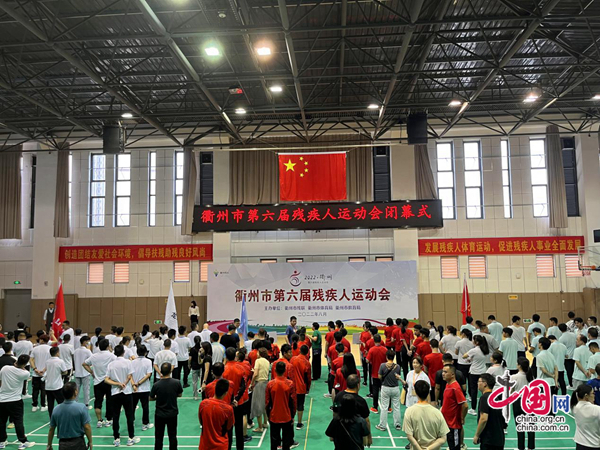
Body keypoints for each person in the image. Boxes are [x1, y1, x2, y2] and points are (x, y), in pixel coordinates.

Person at [105, 344, 138, 447]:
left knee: (116, 416)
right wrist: (124, 383)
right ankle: (131, 438)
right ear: (123, 352)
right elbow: (130, 375)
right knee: (129, 415)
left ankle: (116, 439)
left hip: (115, 393)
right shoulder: (128, 362)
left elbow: (106, 379)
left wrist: (118, 384)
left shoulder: (111, 365)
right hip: (127, 392)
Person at [0, 355, 34, 450]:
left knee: (1, 422)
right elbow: (23, 370)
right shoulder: (25, 373)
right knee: (18, 421)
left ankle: (2, 441)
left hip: (2, 400)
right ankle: (23, 442)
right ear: (25, 364)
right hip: (15, 401)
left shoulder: (5, 368)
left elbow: (0, 381)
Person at [403, 380, 449, 450]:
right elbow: (443, 439)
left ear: (415, 392)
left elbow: (409, 436)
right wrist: (428, 449)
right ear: (428, 393)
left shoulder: (409, 411)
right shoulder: (437, 413)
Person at [46, 382, 93, 450]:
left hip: (63, 445)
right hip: (78, 443)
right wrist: (90, 441)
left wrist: (49, 444)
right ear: (75, 392)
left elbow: (51, 429)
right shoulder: (81, 407)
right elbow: (87, 427)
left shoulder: (56, 409)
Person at [83, 338, 116, 428]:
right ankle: (109, 419)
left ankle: (99, 420)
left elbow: (84, 364)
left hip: (97, 382)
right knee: (109, 401)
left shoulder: (94, 356)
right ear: (108, 346)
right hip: (108, 381)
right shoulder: (111, 356)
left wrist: (92, 372)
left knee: (98, 401)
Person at [265, 361, 298, 450]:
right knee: (286, 442)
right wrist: (292, 415)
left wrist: (268, 415)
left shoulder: (270, 384)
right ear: (285, 370)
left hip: (274, 416)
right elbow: (293, 402)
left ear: (275, 370)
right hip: (287, 417)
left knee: (274, 442)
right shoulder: (290, 384)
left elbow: (267, 402)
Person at [150, 363, 183, 450]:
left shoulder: (156, 385)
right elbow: (180, 394)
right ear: (170, 371)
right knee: (172, 436)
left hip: (160, 415)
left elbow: (151, 398)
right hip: (172, 414)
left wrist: (158, 397)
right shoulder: (176, 382)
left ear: (161, 371)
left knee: (158, 437)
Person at [198, 379, 235, 450]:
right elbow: (229, 427)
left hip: (205, 445)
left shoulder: (203, 404)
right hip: (221, 445)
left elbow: (201, 422)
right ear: (226, 393)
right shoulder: (228, 409)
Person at [473, 373, 506, 450]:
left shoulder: (484, 398)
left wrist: (477, 435)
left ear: (485, 384)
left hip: (489, 440)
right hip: (499, 439)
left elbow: (484, 418)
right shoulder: (496, 398)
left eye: (479, 381)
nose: (477, 383)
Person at [440, 365, 467, 450]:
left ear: (452, 374)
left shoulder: (455, 388)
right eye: (443, 371)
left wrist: (462, 418)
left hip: (454, 425)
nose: (443, 374)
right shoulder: (448, 385)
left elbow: (465, 405)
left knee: (455, 447)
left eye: (445, 372)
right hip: (447, 423)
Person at [511, 358, 535, 450]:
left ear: (519, 366)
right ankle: (530, 447)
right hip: (530, 402)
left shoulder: (514, 377)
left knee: (520, 426)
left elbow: (511, 391)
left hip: (518, 402)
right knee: (531, 425)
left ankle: (521, 447)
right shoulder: (531, 376)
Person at [375, 349, 401, 432]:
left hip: (385, 388)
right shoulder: (398, 366)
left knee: (384, 407)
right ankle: (397, 424)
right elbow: (398, 376)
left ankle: (382, 425)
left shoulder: (382, 365)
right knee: (396, 407)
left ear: (386, 357)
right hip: (395, 388)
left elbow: (379, 376)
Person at [464, 335, 490, 415]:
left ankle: (473, 408)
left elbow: (464, 356)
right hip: (482, 372)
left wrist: (470, 357)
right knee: (483, 390)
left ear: (477, 342)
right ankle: (485, 408)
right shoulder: (484, 350)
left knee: (473, 390)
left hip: (474, 372)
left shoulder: (474, 350)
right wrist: (472, 359)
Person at [571, 384, 600, 450]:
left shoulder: (574, 408)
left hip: (580, 444)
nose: (594, 395)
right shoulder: (597, 409)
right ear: (586, 396)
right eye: (592, 393)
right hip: (595, 444)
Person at [131, 345, 153, 431]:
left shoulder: (132, 362)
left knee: (132, 407)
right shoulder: (148, 361)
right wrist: (139, 383)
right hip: (144, 388)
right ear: (145, 352)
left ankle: (131, 422)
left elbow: (130, 375)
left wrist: (134, 384)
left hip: (134, 389)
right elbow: (148, 374)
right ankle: (145, 424)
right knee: (145, 407)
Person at [290, 345, 311, 430]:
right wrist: (308, 388)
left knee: (291, 404)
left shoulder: (293, 359)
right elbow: (308, 377)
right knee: (300, 404)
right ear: (307, 353)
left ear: (299, 350)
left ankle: (290, 420)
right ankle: (299, 423)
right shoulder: (307, 363)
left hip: (291, 386)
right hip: (301, 387)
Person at [250, 347, 270, 433]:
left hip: (259, 384)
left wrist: (251, 384)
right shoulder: (267, 361)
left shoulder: (257, 361)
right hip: (266, 383)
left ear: (260, 353)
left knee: (258, 406)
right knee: (264, 405)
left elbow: (255, 374)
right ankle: (265, 423)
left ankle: (260, 427)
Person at [366, 334, 387, 413]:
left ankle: (375, 407)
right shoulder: (385, 349)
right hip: (384, 373)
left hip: (375, 373)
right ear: (380, 340)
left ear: (374, 340)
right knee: (384, 389)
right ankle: (388, 407)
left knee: (375, 390)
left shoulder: (371, 350)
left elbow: (367, 360)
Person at [45, 346, 68, 418]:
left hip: (48, 386)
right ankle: (63, 418)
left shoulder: (47, 361)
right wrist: (60, 373)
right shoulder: (60, 361)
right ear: (57, 353)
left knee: (50, 405)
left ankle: (52, 419)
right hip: (57, 386)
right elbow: (65, 372)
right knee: (61, 403)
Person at [30, 334, 51, 412]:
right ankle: (43, 405)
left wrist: (35, 369)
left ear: (42, 340)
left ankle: (34, 405)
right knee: (43, 390)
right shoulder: (50, 349)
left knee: (35, 390)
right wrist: (44, 370)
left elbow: (31, 360)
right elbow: (50, 361)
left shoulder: (35, 349)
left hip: (35, 373)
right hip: (45, 374)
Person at [73, 336, 92, 409]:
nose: (88, 343)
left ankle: (75, 403)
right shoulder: (87, 351)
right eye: (87, 341)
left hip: (77, 373)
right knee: (86, 389)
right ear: (84, 342)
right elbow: (91, 360)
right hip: (85, 373)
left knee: (76, 389)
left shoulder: (75, 351)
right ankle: (86, 404)